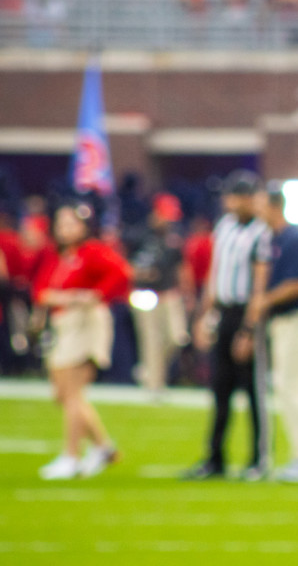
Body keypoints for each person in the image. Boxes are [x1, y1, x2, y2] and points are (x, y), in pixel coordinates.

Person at [182, 170, 272, 481]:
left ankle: (257, 460)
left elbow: (260, 283)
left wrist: (249, 328)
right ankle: (215, 458)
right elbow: (214, 274)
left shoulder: (261, 231)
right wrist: (203, 316)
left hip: (245, 313)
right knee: (220, 389)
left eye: (235, 195)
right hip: (223, 311)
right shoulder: (224, 227)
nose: (229, 201)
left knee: (252, 392)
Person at [33, 199, 132, 479]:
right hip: (63, 324)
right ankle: (102, 446)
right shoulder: (56, 255)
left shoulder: (93, 252)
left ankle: (71, 456)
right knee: (62, 394)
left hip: (86, 322)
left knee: (74, 392)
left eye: (71, 224)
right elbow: (40, 289)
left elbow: (121, 274)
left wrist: (93, 295)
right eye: (61, 224)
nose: (65, 229)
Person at [243, 183, 298, 483]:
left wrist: (264, 300)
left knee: (293, 387)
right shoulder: (278, 239)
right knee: (293, 387)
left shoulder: (292, 238)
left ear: (273, 206)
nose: (256, 210)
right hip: (292, 320)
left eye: (259, 204)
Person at [127, 192, 191, 395]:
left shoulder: (174, 238)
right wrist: (139, 272)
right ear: (156, 213)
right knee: (150, 341)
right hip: (145, 293)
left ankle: (151, 370)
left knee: (177, 337)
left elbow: (182, 267)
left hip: (169, 293)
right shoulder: (138, 235)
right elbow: (123, 265)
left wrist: (187, 294)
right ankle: (154, 385)